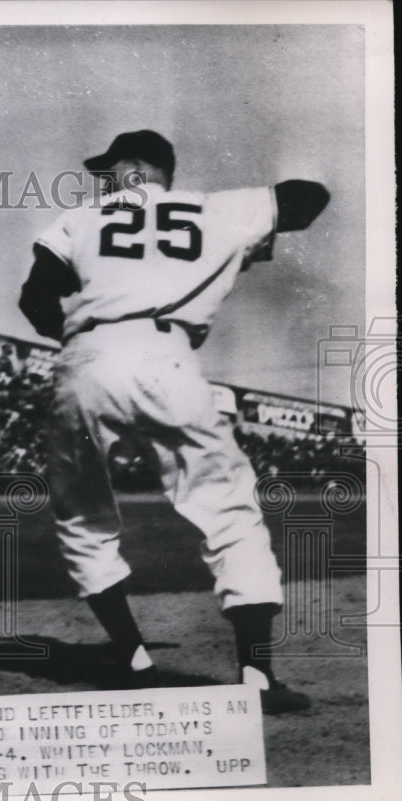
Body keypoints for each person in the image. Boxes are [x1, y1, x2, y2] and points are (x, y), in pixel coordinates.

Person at [19, 130, 329, 713]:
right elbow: (308, 198)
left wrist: (81, 337)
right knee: (229, 507)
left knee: (81, 513)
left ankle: (132, 657)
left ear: (135, 168)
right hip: (170, 356)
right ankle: (258, 676)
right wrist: (238, 218)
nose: (103, 181)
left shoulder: (82, 216)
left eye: (110, 170)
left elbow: (36, 297)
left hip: (86, 358)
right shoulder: (215, 210)